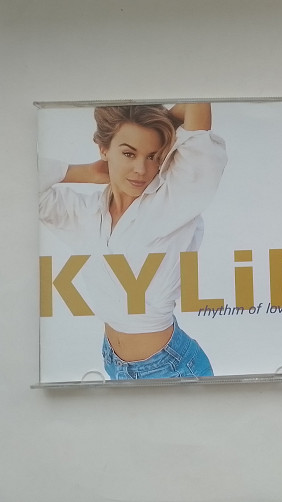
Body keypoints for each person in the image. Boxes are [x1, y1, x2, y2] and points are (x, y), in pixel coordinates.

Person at [39, 103, 227, 379]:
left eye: (153, 156)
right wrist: (84, 172)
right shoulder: (83, 214)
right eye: (129, 153)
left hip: (171, 370)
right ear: (104, 149)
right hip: (112, 363)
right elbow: (15, 180)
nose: (141, 169)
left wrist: (160, 122)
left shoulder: (173, 202)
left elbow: (197, 103)